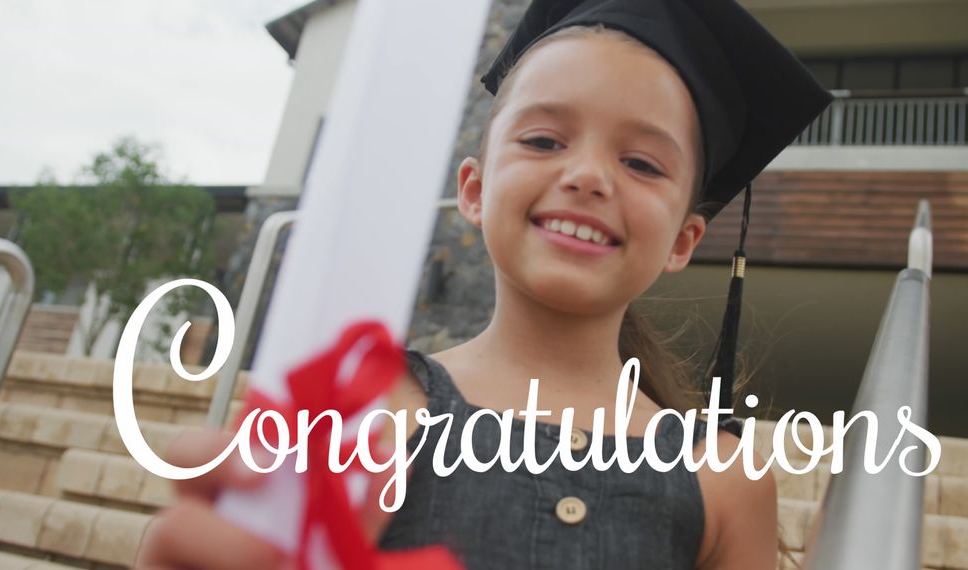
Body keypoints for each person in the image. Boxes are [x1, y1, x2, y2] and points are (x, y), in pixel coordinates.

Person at [137, 1, 832, 568]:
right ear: (472, 190)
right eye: (543, 141)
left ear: (684, 240)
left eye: (643, 163)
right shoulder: (355, 413)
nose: (588, 175)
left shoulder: (725, 479)